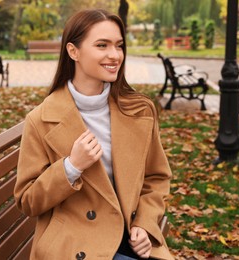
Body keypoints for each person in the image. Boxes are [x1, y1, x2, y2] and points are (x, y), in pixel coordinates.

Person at [14, 8, 173, 260]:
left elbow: (156, 177)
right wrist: (71, 167)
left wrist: (145, 223)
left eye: (119, 46)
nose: (114, 55)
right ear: (73, 51)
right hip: (76, 244)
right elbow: (28, 201)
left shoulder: (139, 110)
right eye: (102, 45)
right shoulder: (41, 120)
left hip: (129, 237)